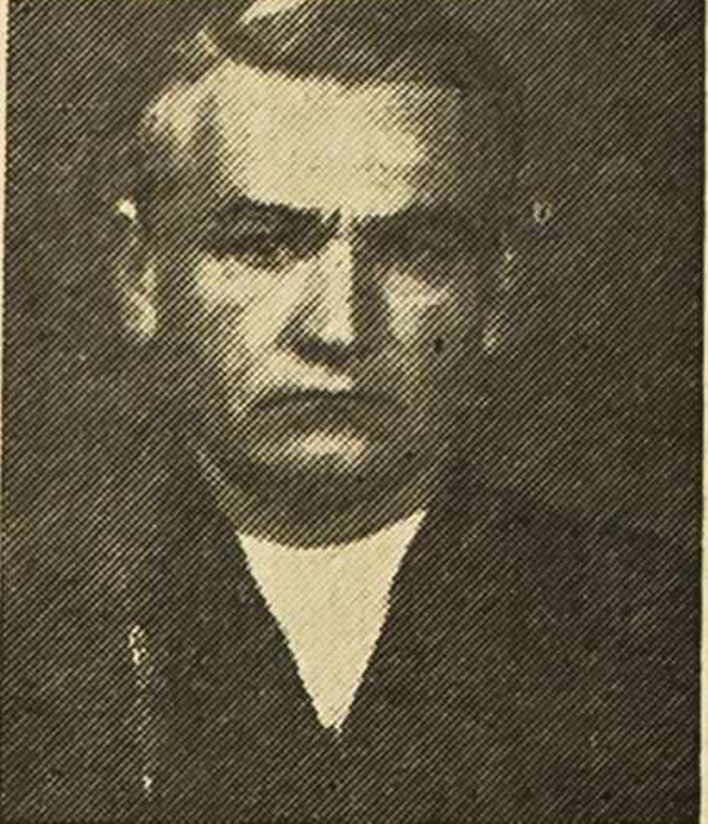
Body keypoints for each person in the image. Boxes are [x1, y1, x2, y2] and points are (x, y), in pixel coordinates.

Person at [2, 0, 698, 821]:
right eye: (263, 245)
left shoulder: (664, 631)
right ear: (142, 277)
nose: (338, 327)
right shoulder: (28, 618)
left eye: (415, 251)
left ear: (499, 291)